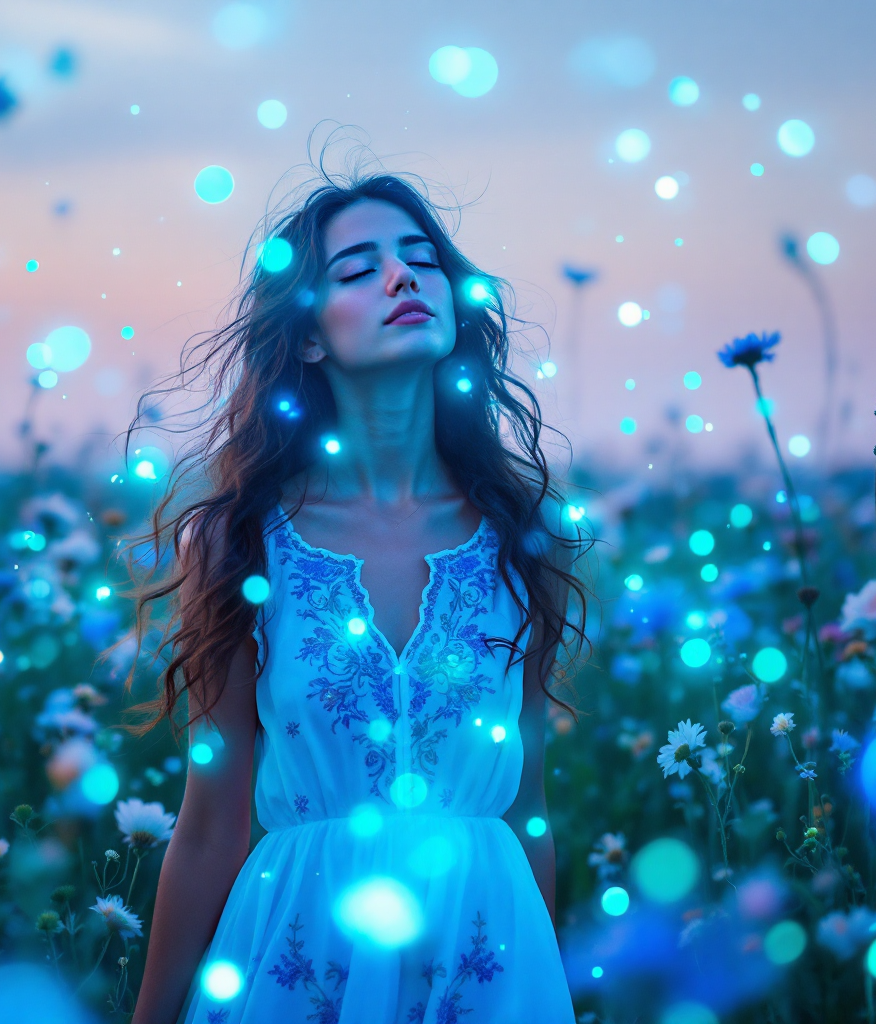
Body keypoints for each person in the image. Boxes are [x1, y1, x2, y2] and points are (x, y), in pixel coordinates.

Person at [128, 165, 585, 1024]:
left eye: (420, 259)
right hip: (303, 954)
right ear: (307, 338)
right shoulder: (239, 541)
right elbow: (210, 828)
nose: (403, 277)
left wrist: (542, 984)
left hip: (487, 960)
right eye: (357, 269)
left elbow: (526, 812)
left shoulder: (523, 536)